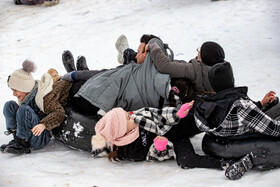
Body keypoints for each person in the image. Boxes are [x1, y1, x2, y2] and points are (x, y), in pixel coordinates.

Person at [194, 62, 280, 179]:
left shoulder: (208, 106)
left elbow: (239, 116)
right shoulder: (241, 106)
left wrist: (260, 104)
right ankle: (250, 160)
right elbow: (274, 129)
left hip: (221, 140)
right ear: (232, 79)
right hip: (247, 136)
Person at [1, 60, 72, 154]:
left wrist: (44, 124)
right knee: (9, 105)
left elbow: (59, 113)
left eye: (15, 90)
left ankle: (23, 143)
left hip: (39, 137)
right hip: (29, 131)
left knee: (24, 109)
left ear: (24, 88)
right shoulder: (27, 97)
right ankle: (17, 139)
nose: (14, 94)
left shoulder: (43, 97)